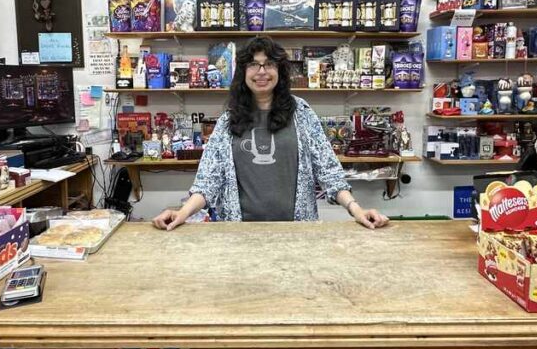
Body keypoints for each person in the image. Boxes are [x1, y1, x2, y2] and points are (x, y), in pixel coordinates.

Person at [153, 37, 390, 231]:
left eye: (269, 64)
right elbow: (208, 180)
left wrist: (357, 210)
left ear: (280, 71)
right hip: (238, 233)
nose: (262, 71)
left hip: (297, 231)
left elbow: (328, 171)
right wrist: (182, 212)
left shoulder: (302, 113)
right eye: (254, 64)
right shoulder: (229, 120)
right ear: (244, 72)